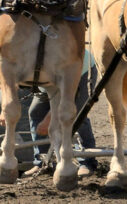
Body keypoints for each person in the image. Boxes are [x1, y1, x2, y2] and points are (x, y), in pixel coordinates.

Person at [23, 49, 98, 178]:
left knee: (76, 115)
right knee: (36, 112)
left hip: (79, 73)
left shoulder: (58, 51)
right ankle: (42, 161)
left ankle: (86, 162)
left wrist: (49, 119)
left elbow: (65, 99)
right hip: (46, 83)